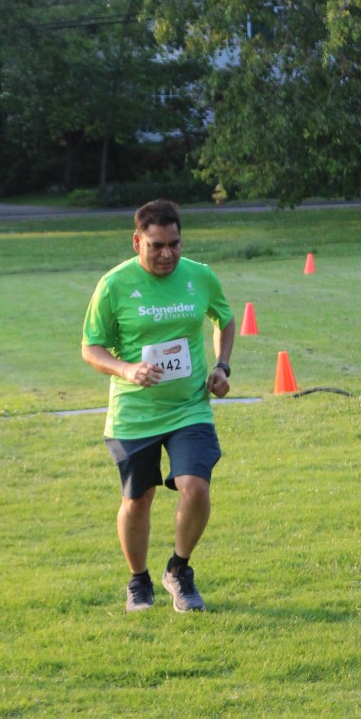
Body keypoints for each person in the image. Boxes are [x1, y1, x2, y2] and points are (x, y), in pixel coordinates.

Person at [82, 199, 235, 613]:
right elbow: (91, 348)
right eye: (157, 246)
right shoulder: (113, 285)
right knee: (138, 499)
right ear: (137, 242)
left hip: (190, 407)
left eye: (174, 244)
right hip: (135, 413)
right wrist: (127, 369)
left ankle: (179, 570)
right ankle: (138, 580)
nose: (167, 254)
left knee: (196, 486)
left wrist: (222, 367)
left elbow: (224, 319)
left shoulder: (200, 276)